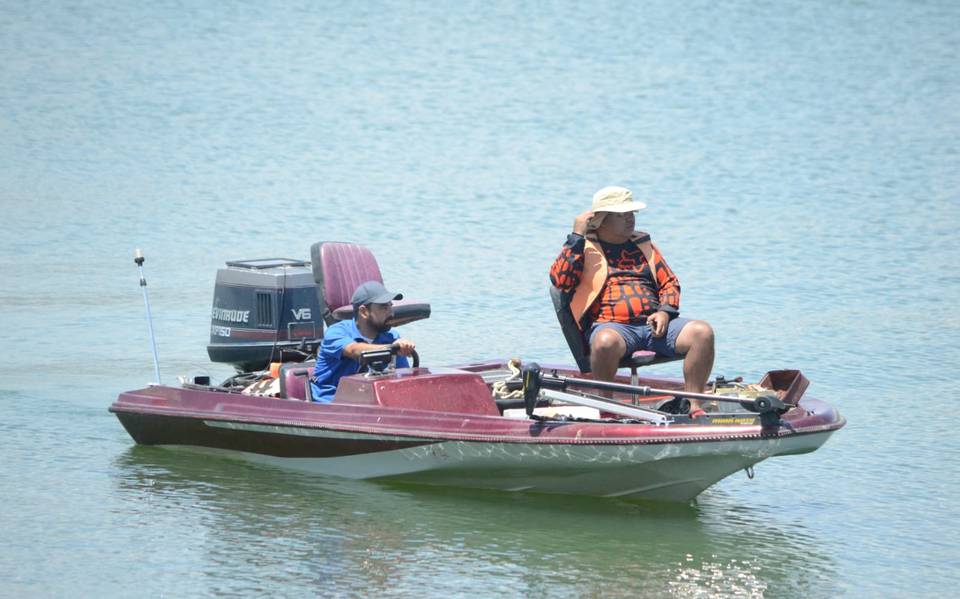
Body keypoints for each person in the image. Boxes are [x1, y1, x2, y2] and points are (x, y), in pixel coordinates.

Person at [549, 186, 715, 416]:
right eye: (621, 215)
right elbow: (560, 280)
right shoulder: (582, 248)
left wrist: (665, 312)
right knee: (604, 341)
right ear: (601, 220)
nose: (630, 220)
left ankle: (694, 406)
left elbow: (670, 283)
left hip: (653, 327)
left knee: (702, 332)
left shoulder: (644, 245)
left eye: (631, 214)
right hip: (613, 328)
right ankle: (608, 409)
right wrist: (576, 236)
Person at [309, 280, 417, 403]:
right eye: (384, 307)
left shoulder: (391, 337)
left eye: (390, 306)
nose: (391, 313)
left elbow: (403, 380)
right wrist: (393, 348)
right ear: (363, 312)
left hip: (367, 403)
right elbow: (354, 350)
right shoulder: (336, 332)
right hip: (329, 404)